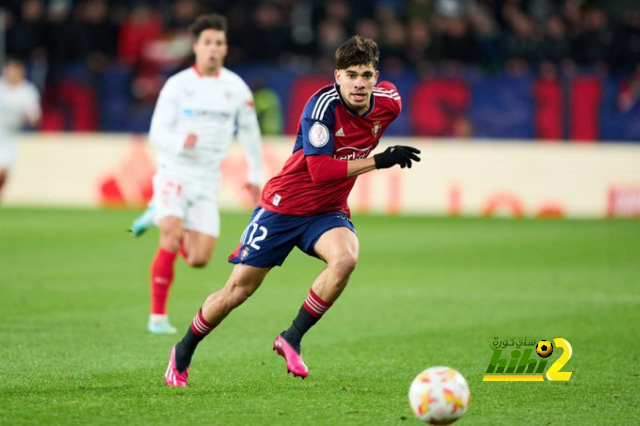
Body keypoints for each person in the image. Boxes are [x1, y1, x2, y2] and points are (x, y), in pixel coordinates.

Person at [163, 35, 420, 387]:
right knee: (238, 291)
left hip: (327, 210)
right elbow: (320, 171)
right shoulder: (321, 108)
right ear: (337, 76)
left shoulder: (389, 102)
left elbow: (340, 168)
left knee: (345, 259)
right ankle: (183, 350)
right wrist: (380, 160)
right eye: (351, 74)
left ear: (376, 76)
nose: (359, 83)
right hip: (284, 207)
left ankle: (291, 338)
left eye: (366, 74)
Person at [142, 13, 263, 334]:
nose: (213, 48)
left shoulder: (236, 87)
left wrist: (255, 173)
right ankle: (157, 318)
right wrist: (182, 141)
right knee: (170, 232)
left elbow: (250, 132)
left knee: (198, 258)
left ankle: (160, 211)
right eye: (207, 42)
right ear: (195, 46)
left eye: (219, 43)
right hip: (175, 171)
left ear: (225, 48)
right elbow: (156, 134)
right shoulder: (178, 85)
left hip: (208, 180)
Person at [0, 58, 41, 202]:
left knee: (3, 170)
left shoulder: (27, 91)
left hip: (10, 136)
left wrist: (30, 117)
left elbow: (35, 117)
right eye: (8, 71)